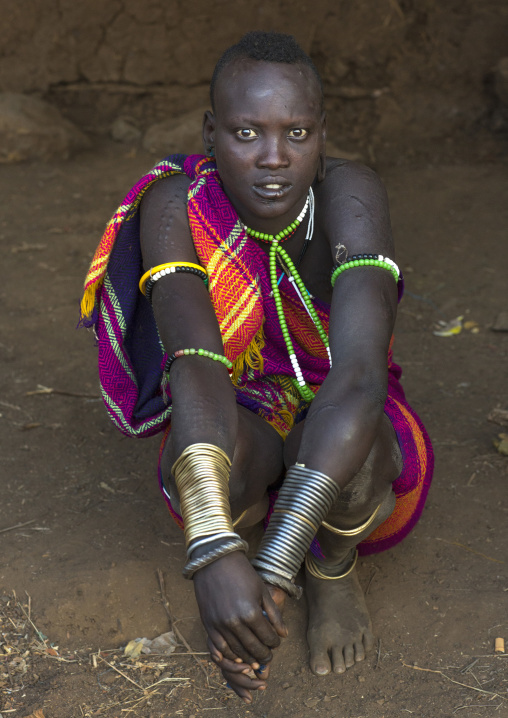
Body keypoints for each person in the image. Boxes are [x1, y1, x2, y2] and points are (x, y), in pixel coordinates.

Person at [80, 31, 433, 704]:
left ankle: (330, 567)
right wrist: (213, 550)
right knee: (204, 461)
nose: (275, 159)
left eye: (297, 132)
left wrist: (280, 568)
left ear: (323, 134)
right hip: (236, 404)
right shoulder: (176, 206)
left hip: (338, 401)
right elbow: (198, 367)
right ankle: (238, 542)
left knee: (356, 458)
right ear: (211, 133)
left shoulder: (348, 194)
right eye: (246, 132)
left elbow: (359, 376)